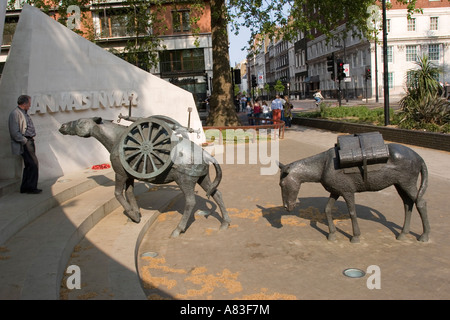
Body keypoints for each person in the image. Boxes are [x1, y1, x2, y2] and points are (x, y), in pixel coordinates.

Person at [8, 95, 42, 194]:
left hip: (29, 141)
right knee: (33, 164)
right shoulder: (15, 113)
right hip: (25, 142)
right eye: (29, 103)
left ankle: (25, 187)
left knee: (29, 164)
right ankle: (31, 188)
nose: (30, 105)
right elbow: (14, 132)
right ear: (25, 103)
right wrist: (25, 141)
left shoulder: (23, 112)